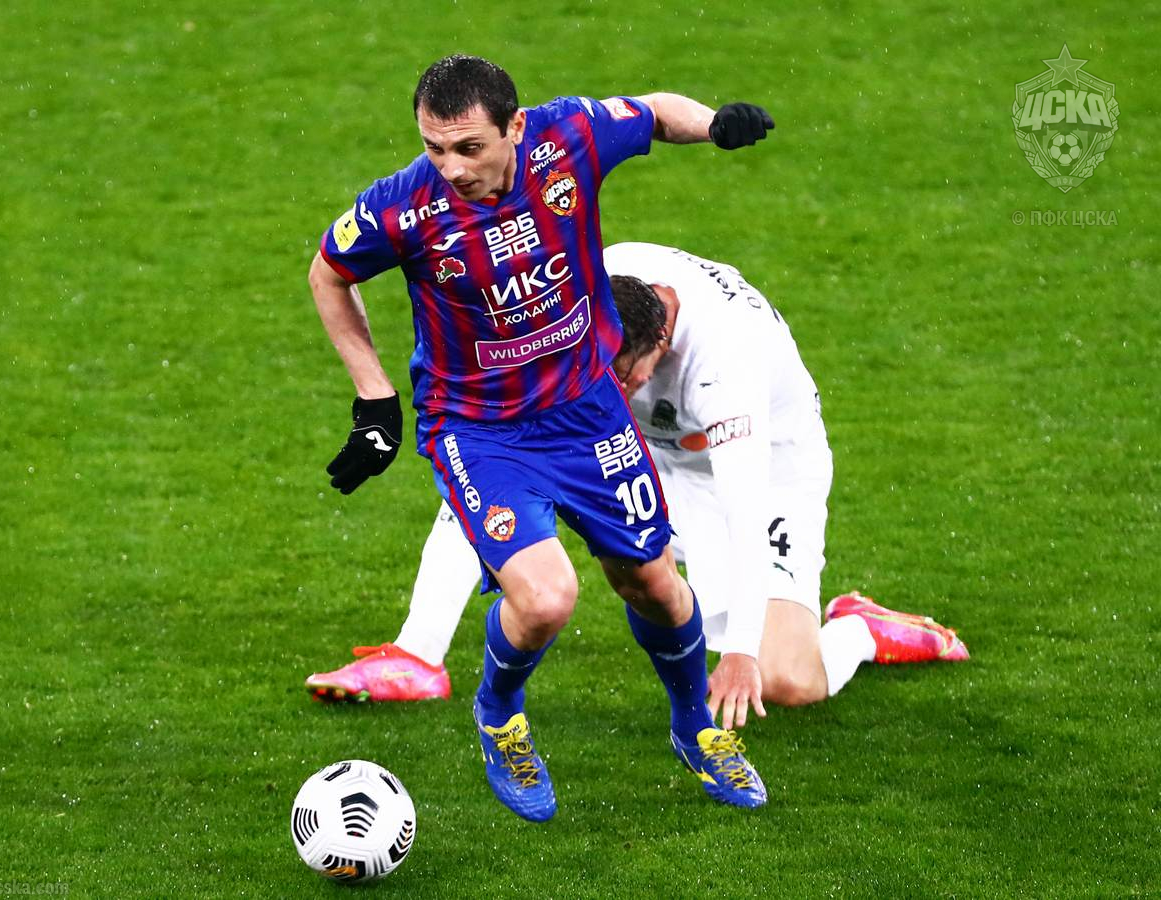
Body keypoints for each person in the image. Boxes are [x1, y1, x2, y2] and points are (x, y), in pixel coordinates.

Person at [308, 55, 778, 822]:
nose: (450, 168)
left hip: (589, 412)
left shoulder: (567, 139)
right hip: (480, 430)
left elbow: (656, 111)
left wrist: (715, 124)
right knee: (548, 598)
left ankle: (695, 728)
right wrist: (375, 398)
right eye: (434, 147)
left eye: (469, 147)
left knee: (655, 585)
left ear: (516, 127)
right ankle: (500, 714)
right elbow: (328, 273)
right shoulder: (403, 208)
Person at [307, 242, 970, 728]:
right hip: (652, 453)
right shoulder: (584, 289)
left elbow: (744, 512)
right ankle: (417, 655)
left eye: (621, 380)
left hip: (764, 471)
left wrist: (741, 652)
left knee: (788, 681)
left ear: (661, 344)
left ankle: (860, 630)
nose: (610, 392)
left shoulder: (724, 366)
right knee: (496, 459)